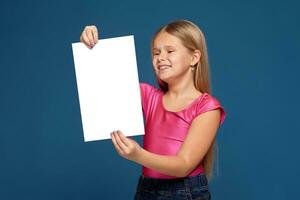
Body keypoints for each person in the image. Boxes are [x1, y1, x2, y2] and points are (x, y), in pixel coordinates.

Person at [80, 19, 226, 200]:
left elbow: (184, 165)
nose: (160, 58)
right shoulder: (149, 96)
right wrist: (90, 45)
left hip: (186, 192)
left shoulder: (207, 107)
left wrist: (138, 155)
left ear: (194, 57)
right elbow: (101, 82)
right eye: (156, 53)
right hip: (147, 189)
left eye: (170, 51)